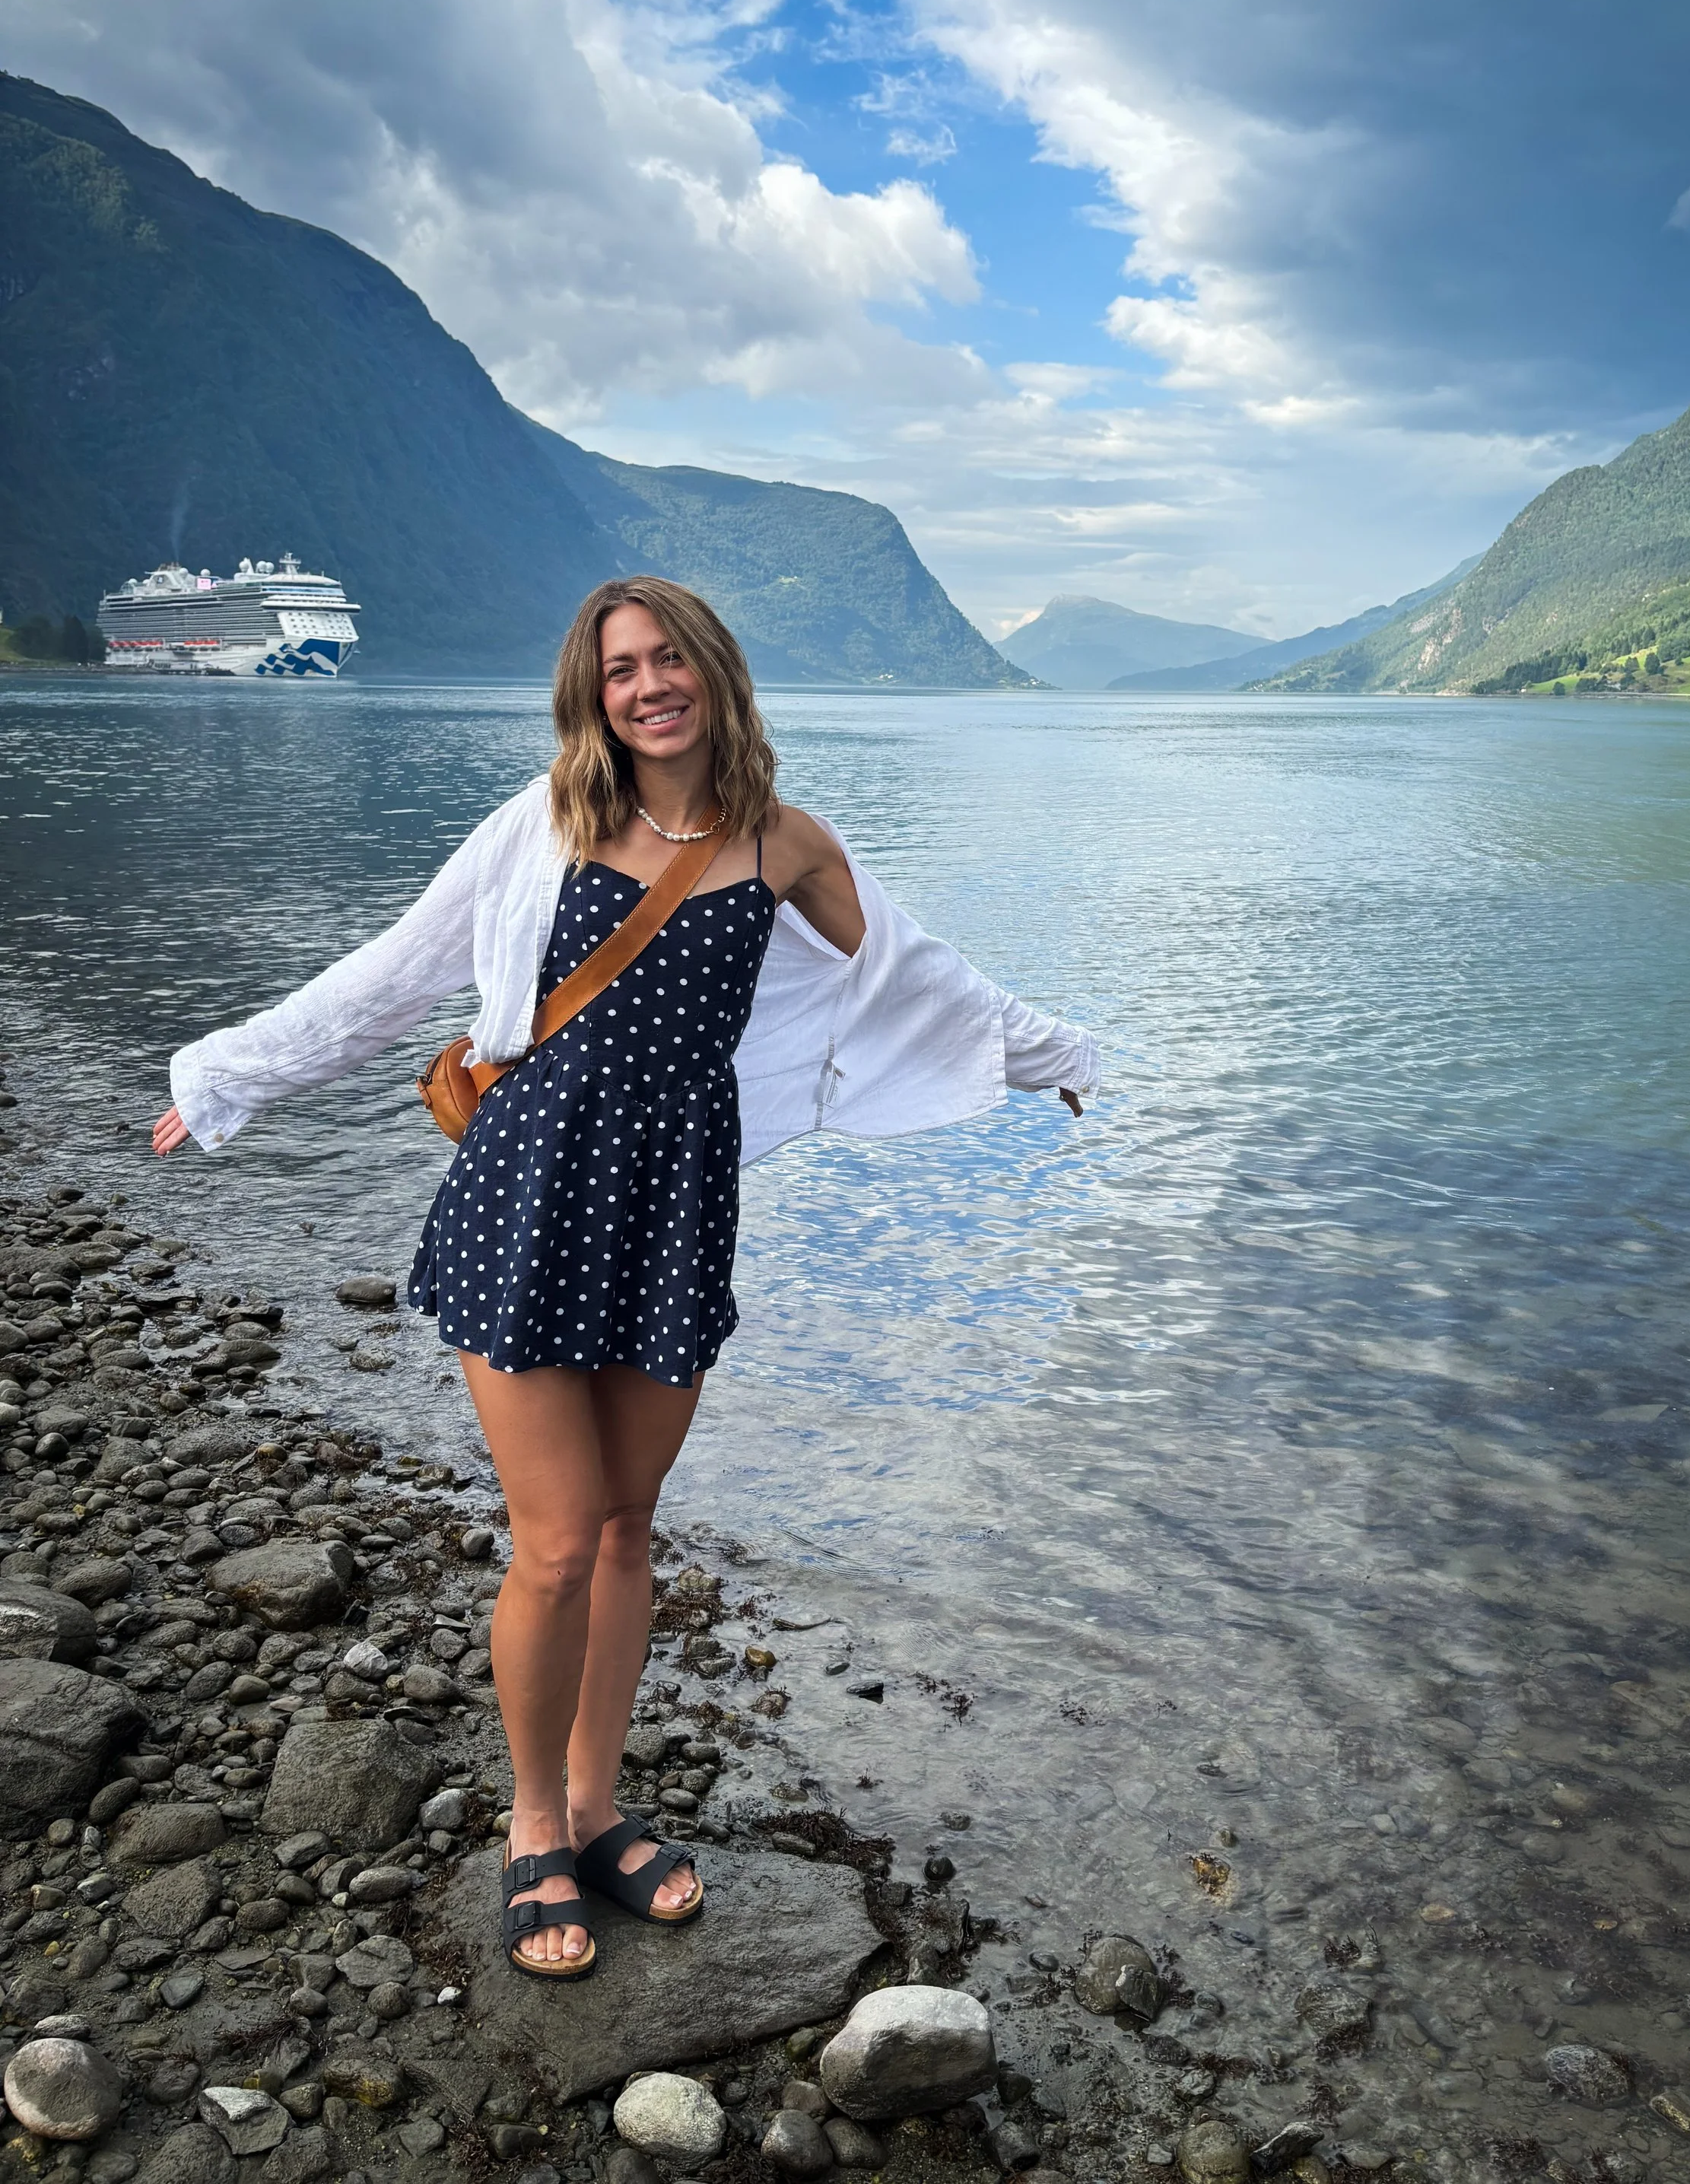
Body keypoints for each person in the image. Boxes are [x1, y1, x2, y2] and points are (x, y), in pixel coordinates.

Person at [153, 577, 1099, 1980]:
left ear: (712, 672)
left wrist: (1053, 1063)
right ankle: (534, 1828)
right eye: (619, 670)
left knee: (628, 1529)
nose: (647, 686)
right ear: (591, 695)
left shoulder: (786, 843)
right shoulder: (546, 822)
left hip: (672, 1211)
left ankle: (599, 1809)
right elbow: (395, 977)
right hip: (528, 1193)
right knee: (554, 1538)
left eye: (668, 661)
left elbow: (921, 981)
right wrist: (228, 1076)